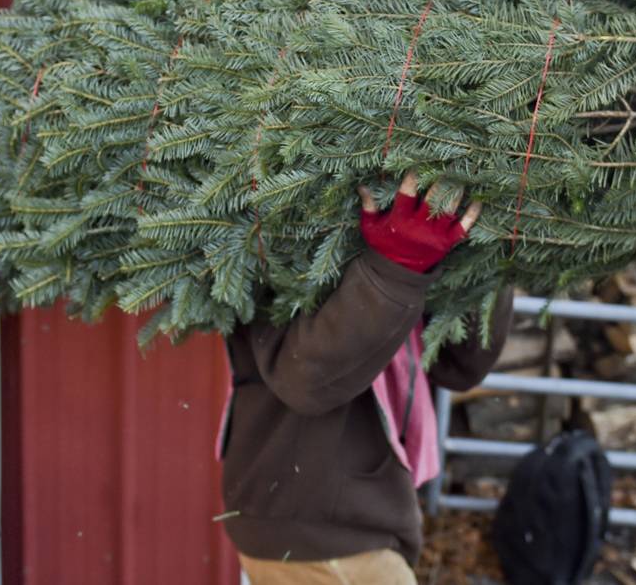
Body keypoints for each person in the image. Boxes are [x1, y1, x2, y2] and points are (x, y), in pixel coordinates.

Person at [218, 171, 513, 584]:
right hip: (314, 529)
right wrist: (395, 266)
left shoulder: (407, 209)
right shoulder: (280, 218)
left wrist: (493, 248)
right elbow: (305, 377)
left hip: (349, 524)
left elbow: (461, 365)